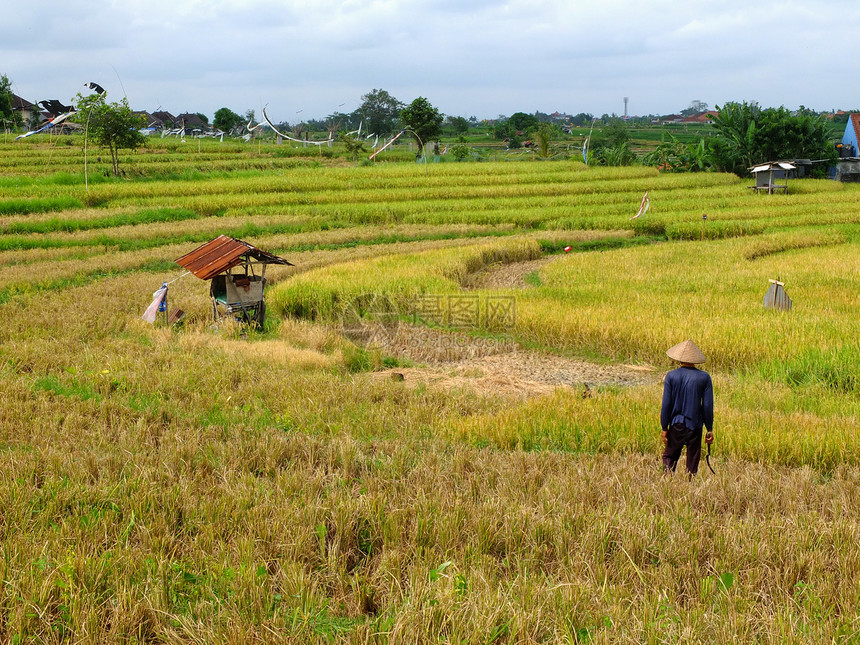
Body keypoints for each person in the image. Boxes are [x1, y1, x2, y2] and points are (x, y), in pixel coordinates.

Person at [660, 340, 714, 476]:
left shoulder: (671, 376)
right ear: (695, 360)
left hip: (676, 424)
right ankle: (690, 484)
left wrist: (664, 428)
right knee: (693, 459)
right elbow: (707, 405)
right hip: (695, 425)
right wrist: (709, 429)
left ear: (679, 359)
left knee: (669, 456)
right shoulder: (704, 377)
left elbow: (666, 404)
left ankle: (667, 482)